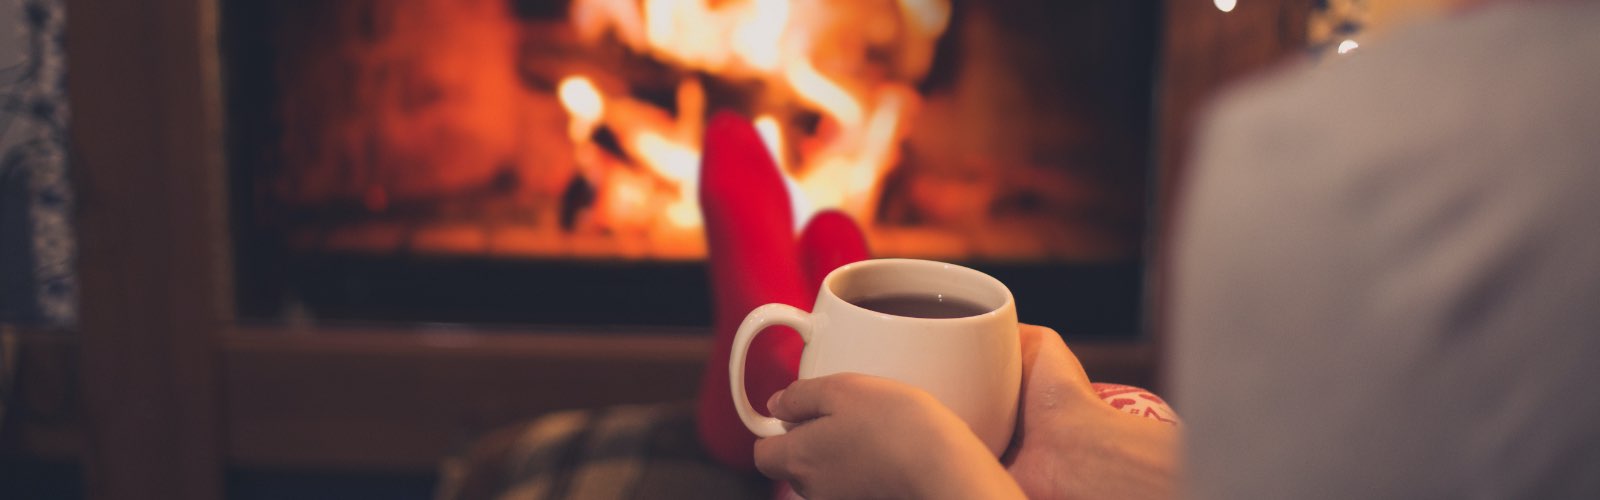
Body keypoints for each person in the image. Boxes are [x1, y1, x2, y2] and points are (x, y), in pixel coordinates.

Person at [752, 0, 1600, 498]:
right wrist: (1095, 451)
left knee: (799, 334)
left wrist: (950, 484)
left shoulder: (1338, 174)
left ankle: (760, 372)